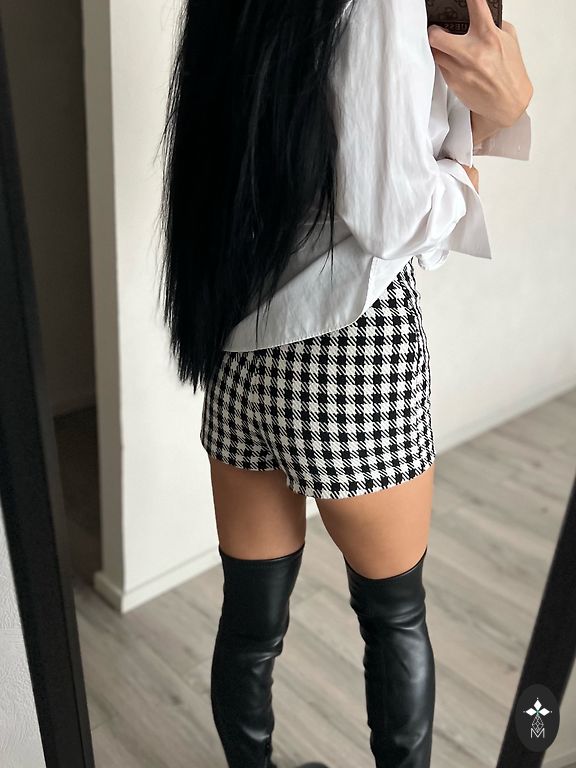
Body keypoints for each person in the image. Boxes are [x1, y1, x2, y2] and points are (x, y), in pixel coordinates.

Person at [158, 0, 533, 766]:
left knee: (251, 624)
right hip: (349, 338)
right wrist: (466, 173)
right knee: (394, 616)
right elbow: (391, 215)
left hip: (240, 329)